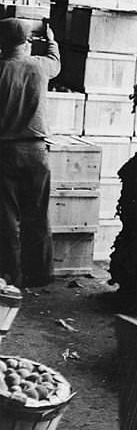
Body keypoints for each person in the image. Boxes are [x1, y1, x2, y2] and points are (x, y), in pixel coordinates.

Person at [0, 18, 61, 288]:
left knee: (7, 217)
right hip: (37, 152)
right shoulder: (40, 67)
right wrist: (51, 39)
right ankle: (40, 274)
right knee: (37, 213)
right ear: (27, 42)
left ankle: (12, 275)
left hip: (5, 153)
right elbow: (55, 61)